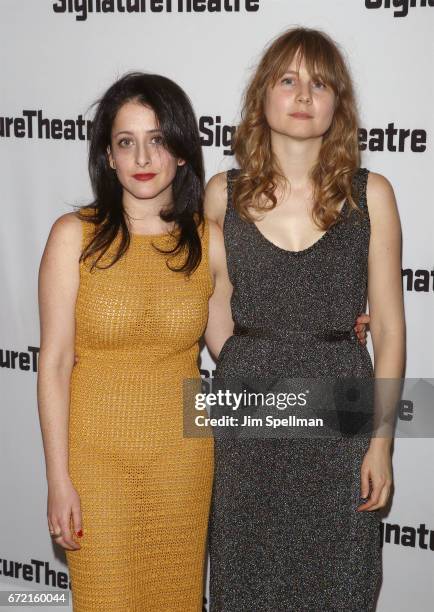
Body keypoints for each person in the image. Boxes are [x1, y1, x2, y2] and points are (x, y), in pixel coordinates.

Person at [204, 27, 405, 611]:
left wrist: (382, 442)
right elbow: (212, 309)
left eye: (319, 83)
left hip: (343, 415)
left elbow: (389, 329)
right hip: (248, 420)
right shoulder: (224, 193)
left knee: (341, 583)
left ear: (337, 102)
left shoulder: (373, 196)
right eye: (287, 80)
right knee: (245, 579)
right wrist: (250, 362)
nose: (302, 94)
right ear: (262, 95)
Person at [37, 72, 233, 612]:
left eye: (158, 139)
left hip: (183, 462)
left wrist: (327, 324)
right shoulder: (72, 236)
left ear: (182, 153)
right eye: (127, 141)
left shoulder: (208, 242)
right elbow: (52, 365)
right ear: (109, 156)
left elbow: (236, 348)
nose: (143, 156)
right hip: (95, 462)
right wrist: (58, 479)